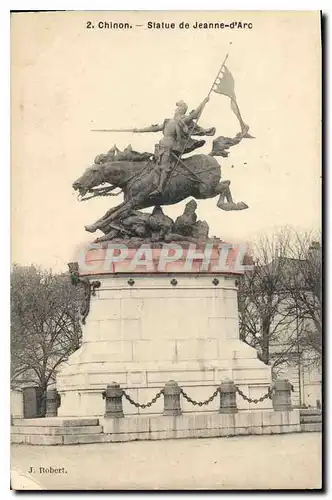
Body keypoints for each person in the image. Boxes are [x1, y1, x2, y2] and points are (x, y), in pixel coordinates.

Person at [133, 97, 211, 196]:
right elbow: (155, 128)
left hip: (170, 146)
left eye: (178, 108)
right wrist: (139, 130)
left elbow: (194, 114)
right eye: (176, 108)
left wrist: (203, 102)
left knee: (164, 166)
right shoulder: (168, 121)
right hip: (161, 146)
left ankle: (160, 188)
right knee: (156, 164)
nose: (175, 110)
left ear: (181, 110)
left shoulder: (182, 120)